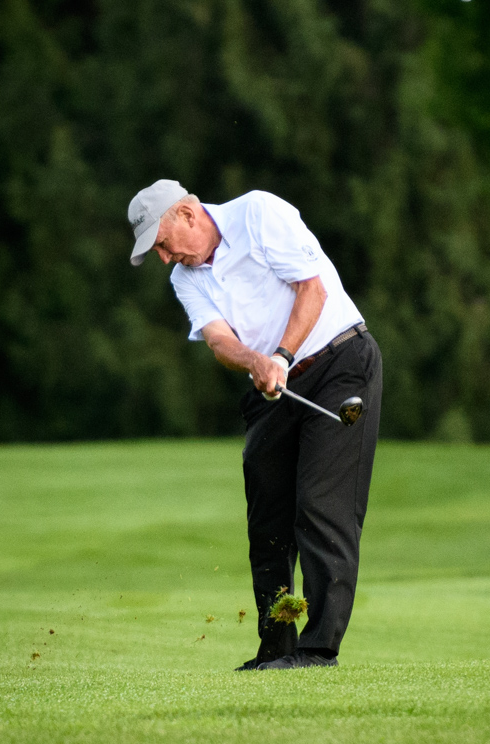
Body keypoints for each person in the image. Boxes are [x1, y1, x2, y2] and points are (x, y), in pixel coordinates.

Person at [128, 179, 382, 670]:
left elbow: (312, 289)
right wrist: (258, 362)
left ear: (186, 214)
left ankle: (317, 650)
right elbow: (220, 341)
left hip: (339, 363)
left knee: (320, 505)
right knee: (267, 519)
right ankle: (277, 647)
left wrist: (280, 356)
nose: (163, 258)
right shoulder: (186, 277)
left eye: (161, 243)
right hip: (275, 386)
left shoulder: (258, 213)